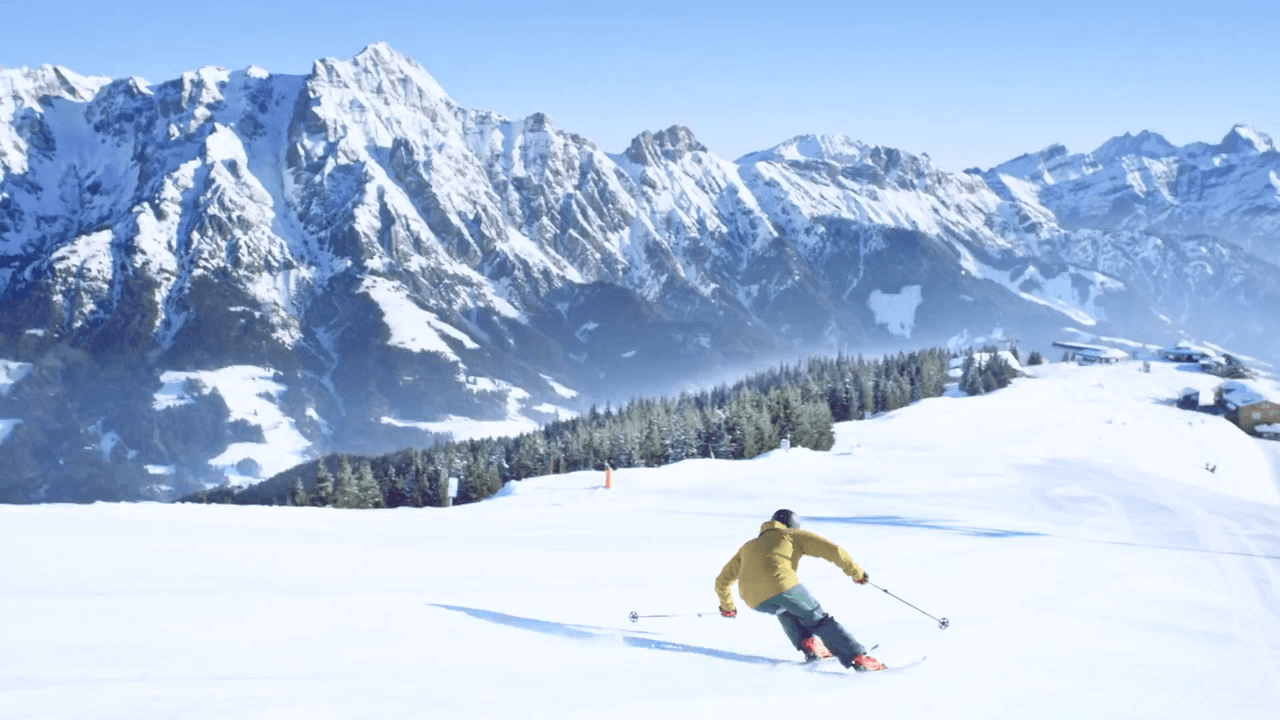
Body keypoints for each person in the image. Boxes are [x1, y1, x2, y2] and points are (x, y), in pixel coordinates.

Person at [714, 509, 885, 671]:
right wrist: (857, 574)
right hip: (782, 585)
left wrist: (728, 607)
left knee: (785, 609)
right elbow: (833, 551)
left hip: (752, 599)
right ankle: (857, 657)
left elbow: (722, 581)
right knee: (818, 619)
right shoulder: (791, 535)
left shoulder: (748, 546)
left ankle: (809, 645)